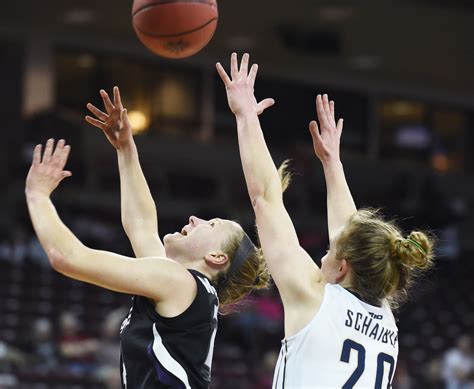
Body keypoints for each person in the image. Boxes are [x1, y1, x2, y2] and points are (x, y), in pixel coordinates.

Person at [25, 86, 270, 388]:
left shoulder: (180, 283)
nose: (195, 218)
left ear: (217, 257)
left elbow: (67, 257)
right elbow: (141, 225)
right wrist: (126, 148)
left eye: (212, 223)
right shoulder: (183, 289)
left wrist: (37, 195)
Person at [217, 52, 435, 388]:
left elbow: (265, 199)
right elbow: (350, 235)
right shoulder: (385, 322)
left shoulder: (313, 298)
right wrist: (332, 164)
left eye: (330, 252)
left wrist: (246, 115)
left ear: (344, 266)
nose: (322, 256)